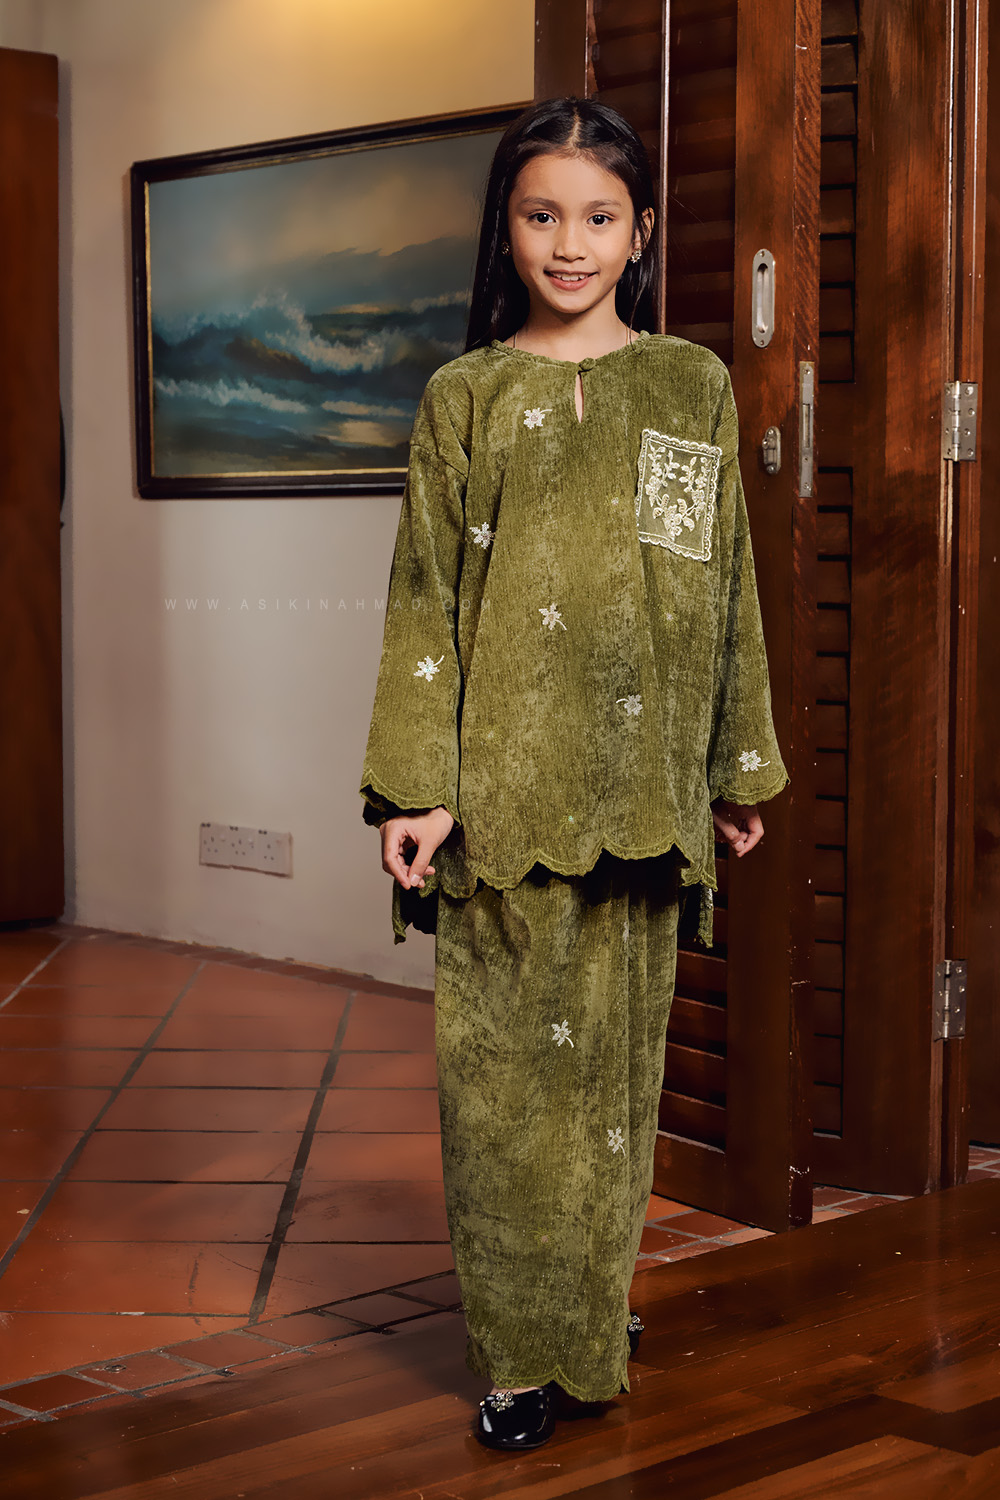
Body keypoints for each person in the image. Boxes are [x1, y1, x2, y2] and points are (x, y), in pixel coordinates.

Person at [359, 96, 788, 1451]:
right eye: (542, 214)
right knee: (500, 1089)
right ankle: (513, 1359)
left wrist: (732, 766)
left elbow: (716, 586)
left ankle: (588, 1314)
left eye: (599, 217)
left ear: (640, 231)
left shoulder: (689, 386)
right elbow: (425, 607)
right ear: (506, 227)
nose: (570, 243)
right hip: (500, 798)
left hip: (643, 796)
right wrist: (416, 789)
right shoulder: (465, 398)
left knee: (611, 1086)